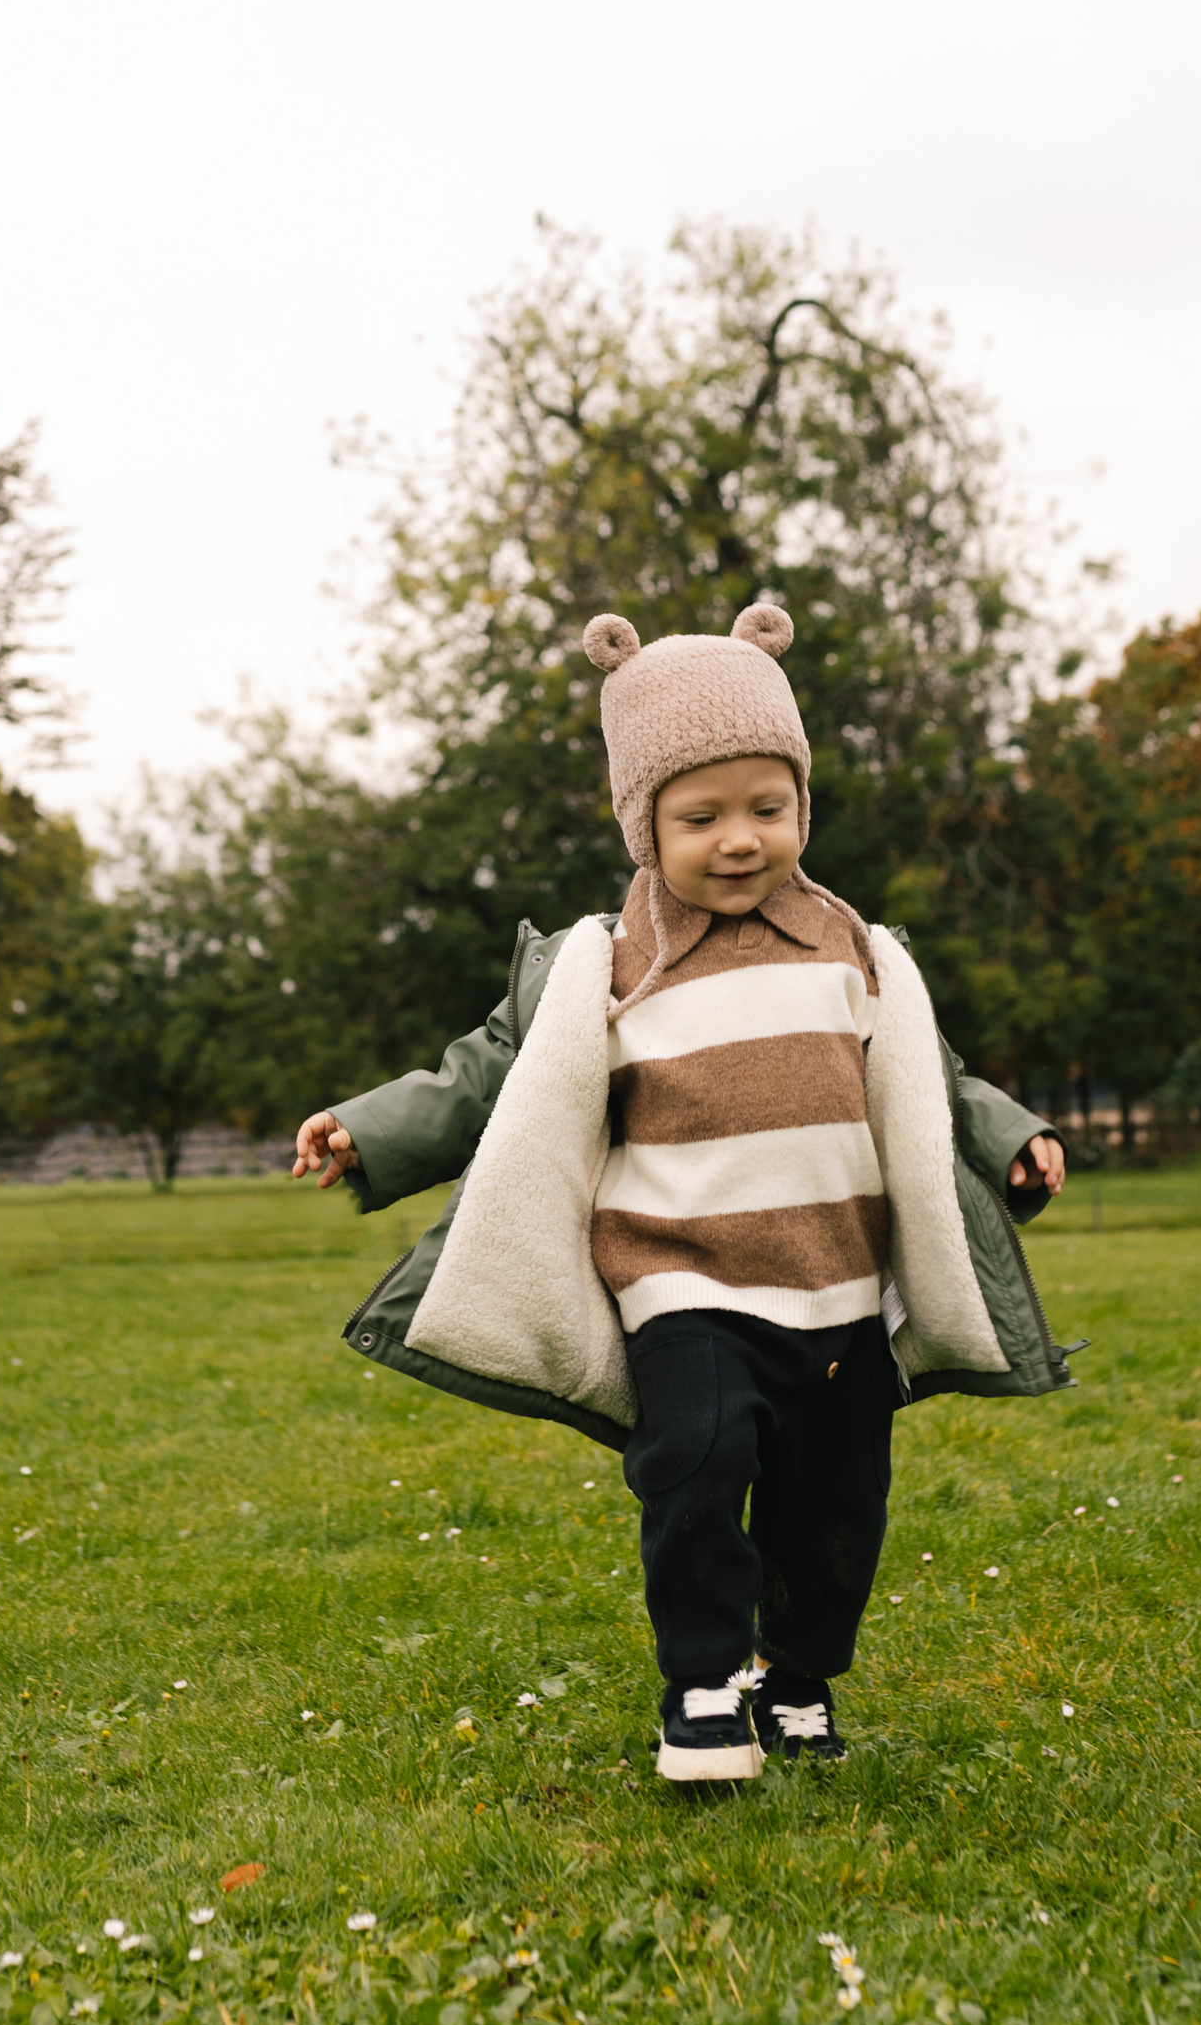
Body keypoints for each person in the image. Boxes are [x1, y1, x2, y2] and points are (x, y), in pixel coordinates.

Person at [294, 602, 1073, 1784]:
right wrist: (367, 1130)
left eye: (768, 807)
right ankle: (703, 1686)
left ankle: (796, 1678)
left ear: (802, 809)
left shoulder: (852, 947)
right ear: (642, 824)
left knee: (836, 1505)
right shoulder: (604, 961)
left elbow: (934, 1073)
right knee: (695, 1463)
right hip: (681, 1279)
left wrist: (1014, 1137)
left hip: (838, 1289)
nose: (741, 839)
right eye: (700, 816)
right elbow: (485, 1070)